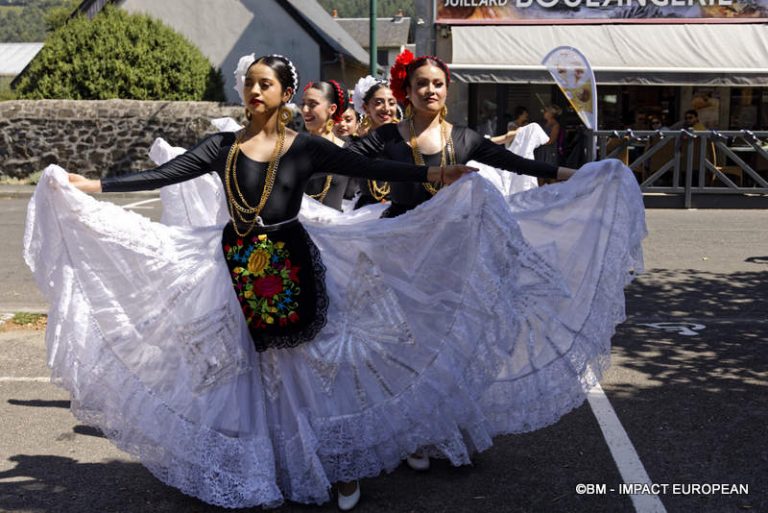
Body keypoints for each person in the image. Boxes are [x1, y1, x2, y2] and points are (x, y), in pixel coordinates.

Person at [347, 50, 575, 219]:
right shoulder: (388, 135)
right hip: (399, 236)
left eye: (438, 84)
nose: (431, 90)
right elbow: (346, 160)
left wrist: (577, 174)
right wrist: (433, 173)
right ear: (408, 91)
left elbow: (518, 164)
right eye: (422, 83)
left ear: (446, 90)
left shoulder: (464, 138)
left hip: (447, 237)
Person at [350, 75, 399, 208]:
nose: (386, 108)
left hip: (398, 210)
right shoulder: (357, 143)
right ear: (366, 107)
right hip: (365, 211)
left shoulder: (406, 141)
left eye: (392, 103)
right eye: (378, 102)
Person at [301, 79, 350, 210]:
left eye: (313, 104)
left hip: (335, 222)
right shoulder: (294, 147)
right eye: (303, 104)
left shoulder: (348, 150)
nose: (305, 110)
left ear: (331, 109)